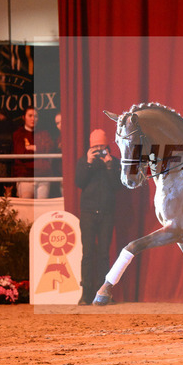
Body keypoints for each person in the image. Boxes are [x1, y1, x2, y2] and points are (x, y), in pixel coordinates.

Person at [75, 129, 122, 305]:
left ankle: (104, 294)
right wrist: (88, 163)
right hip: (87, 212)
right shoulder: (83, 161)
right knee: (87, 254)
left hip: (106, 213)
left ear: (107, 145)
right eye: (95, 147)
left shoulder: (113, 162)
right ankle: (86, 294)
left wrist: (109, 165)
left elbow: (117, 185)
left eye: (102, 146)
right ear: (90, 147)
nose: (99, 150)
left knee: (104, 254)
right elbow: (79, 182)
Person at [13, 106, 53, 198]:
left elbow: (50, 148)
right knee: (26, 205)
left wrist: (35, 148)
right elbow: (21, 153)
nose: (33, 119)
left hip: (43, 176)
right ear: (24, 117)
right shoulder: (18, 134)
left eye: (35, 116)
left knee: (42, 206)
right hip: (25, 176)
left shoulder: (44, 133)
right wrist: (41, 150)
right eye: (30, 116)